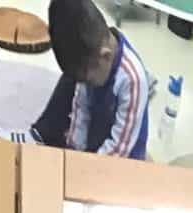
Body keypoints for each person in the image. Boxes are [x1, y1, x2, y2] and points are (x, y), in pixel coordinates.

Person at [32, 0, 151, 160]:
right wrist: (74, 150)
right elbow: (81, 109)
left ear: (105, 56)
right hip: (97, 136)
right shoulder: (92, 63)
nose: (84, 83)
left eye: (86, 80)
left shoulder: (133, 80)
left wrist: (87, 166)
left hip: (124, 155)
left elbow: (119, 149)